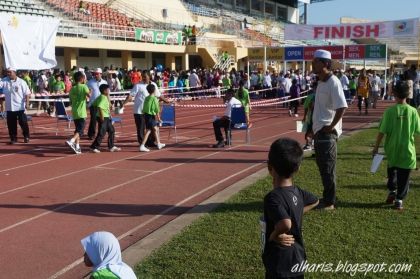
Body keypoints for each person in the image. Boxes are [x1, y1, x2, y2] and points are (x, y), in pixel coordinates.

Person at [262, 138, 319, 279]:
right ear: (297, 168)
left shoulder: (272, 197)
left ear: (270, 167)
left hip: (279, 262)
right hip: (297, 258)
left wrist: (274, 235)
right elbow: (315, 201)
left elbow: (285, 224)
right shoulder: (298, 192)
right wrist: (297, 212)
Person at [372, 81, 420, 210]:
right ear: (407, 94)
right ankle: (399, 199)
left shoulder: (390, 111)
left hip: (392, 149)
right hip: (407, 151)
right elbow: (418, 130)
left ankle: (392, 191)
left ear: (394, 94)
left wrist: (376, 147)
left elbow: (382, 131)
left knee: (392, 172)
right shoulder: (413, 111)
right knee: (404, 176)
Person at [311, 49, 348, 210]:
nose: (313, 63)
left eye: (316, 61)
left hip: (327, 133)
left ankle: (330, 202)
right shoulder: (321, 82)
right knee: (323, 167)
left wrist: (331, 126)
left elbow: (342, 107)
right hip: (319, 131)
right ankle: (327, 197)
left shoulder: (333, 82)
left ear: (325, 63)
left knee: (328, 168)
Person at [0, 68, 31, 144]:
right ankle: (13, 138)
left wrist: (27, 103)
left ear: (14, 72)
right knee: (11, 124)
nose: (8, 73)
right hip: (10, 107)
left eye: (10, 72)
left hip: (20, 107)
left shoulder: (21, 82)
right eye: (7, 72)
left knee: (23, 122)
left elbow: (27, 93)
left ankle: (26, 136)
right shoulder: (4, 81)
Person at [90, 84, 121, 153]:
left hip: (106, 117)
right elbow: (99, 107)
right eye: (108, 89)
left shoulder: (102, 97)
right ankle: (94, 147)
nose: (109, 91)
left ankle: (111, 146)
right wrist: (101, 116)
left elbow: (94, 104)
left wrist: (110, 106)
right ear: (104, 91)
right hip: (104, 117)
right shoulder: (103, 98)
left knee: (111, 130)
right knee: (102, 132)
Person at [66, 71, 90, 154]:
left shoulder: (72, 89)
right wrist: (90, 91)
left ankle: (77, 146)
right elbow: (89, 96)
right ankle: (71, 140)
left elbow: (70, 101)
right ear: (82, 79)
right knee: (81, 130)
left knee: (77, 130)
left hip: (75, 112)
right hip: (82, 112)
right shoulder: (84, 86)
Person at [139, 83, 165, 152]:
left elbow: (144, 108)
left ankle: (159, 143)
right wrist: (159, 118)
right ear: (154, 90)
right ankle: (142, 145)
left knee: (154, 129)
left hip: (146, 115)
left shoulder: (146, 98)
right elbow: (156, 109)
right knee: (149, 131)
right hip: (151, 116)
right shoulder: (154, 98)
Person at [87, 68, 107, 140]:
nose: (96, 75)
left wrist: (109, 103)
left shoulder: (104, 82)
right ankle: (91, 134)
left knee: (102, 120)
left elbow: (107, 93)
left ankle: (100, 134)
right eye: (95, 74)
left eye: (97, 74)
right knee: (93, 120)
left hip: (102, 104)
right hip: (93, 104)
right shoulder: (90, 82)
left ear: (101, 74)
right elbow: (87, 92)